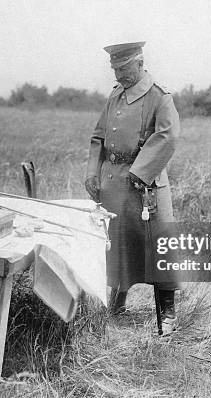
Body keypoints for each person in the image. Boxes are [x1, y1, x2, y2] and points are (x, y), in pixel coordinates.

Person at [85, 42, 181, 335]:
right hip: (113, 184)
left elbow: (168, 136)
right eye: (115, 69)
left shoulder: (159, 98)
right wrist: (92, 171)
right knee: (117, 244)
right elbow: (98, 137)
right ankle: (116, 302)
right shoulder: (115, 95)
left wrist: (140, 173)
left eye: (124, 69)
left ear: (139, 63)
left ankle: (167, 313)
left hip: (145, 187)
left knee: (159, 248)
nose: (119, 75)